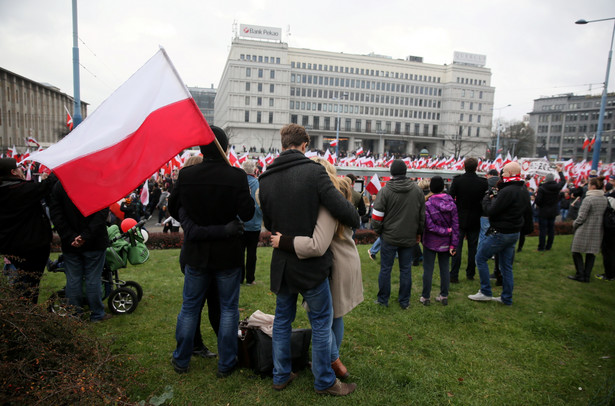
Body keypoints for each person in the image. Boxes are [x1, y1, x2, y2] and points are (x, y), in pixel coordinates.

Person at [259, 124, 359, 396]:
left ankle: (280, 374)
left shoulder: (265, 178)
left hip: (282, 261)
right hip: (311, 265)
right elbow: (341, 208)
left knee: (282, 321)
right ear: (304, 144)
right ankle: (325, 381)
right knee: (321, 322)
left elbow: (269, 222)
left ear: (283, 144)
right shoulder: (315, 172)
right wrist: (354, 216)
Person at [168, 126, 254, 376]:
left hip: (196, 253)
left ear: (202, 149)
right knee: (228, 309)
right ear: (224, 148)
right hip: (227, 254)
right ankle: (226, 364)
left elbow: (174, 208)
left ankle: (181, 360)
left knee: (190, 307)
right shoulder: (236, 177)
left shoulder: (186, 175)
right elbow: (247, 213)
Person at [469, 162, 532, 306]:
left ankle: (485, 292)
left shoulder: (507, 191)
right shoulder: (522, 189)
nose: (501, 175)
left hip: (501, 232)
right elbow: (527, 211)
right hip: (513, 232)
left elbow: (491, 211)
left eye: (503, 173)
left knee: (480, 257)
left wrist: (487, 199)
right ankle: (506, 298)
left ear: (509, 174)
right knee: (506, 266)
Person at [49, 181, 111, 321]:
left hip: (71, 243)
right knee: (93, 279)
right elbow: (101, 213)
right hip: (93, 242)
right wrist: (84, 236)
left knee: (73, 279)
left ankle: (74, 314)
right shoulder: (96, 183)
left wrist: (70, 236)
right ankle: (97, 314)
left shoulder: (59, 185)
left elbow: (56, 214)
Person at [0, 158, 56, 303]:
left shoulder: (6, 190)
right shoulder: (19, 190)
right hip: (31, 246)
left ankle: (22, 309)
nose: (22, 170)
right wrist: (57, 167)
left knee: (23, 279)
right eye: (19, 168)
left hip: (11, 245)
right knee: (30, 283)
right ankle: (25, 310)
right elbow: (46, 186)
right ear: (13, 172)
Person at [372, 159, 425, 310]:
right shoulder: (417, 191)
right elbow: (422, 216)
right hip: (409, 237)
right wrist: (419, 233)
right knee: (405, 269)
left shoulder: (385, 191)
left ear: (391, 172)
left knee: (386, 269)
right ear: (405, 172)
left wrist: (380, 231)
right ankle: (404, 302)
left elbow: (376, 217)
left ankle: (383, 300)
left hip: (389, 237)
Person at [420, 176, 458, 306]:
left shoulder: (428, 204)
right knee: (444, 268)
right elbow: (456, 225)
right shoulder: (452, 204)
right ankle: (444, 295)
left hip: (431, 241)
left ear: (431, 188)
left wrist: (445, 231)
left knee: (428, 270)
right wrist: (453, 242)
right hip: (446, 242)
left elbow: (429, 226)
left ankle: (425, 297)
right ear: (443, 187)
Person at [449, 157, 488, 283]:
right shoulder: (482, 182)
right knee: (473, 248)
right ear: (476, 166)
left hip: (460, 217)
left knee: (457, 247)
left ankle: (454, 275)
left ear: (464, 165)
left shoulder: (458, 181)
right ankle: (470, 273)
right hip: (475, 218)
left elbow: (450, 198)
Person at [567, 176, 608, 283]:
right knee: (591, 253)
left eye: (589, 185)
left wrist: (574, 224)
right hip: (598, 229)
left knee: (576, 251)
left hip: (585, 228)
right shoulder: (604, 199)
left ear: (593, 186)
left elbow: (581, 216)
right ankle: (586, 275)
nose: (588, 186)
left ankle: (580, 274)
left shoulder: (588, 199)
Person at [241, 160, 263, 285]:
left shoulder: (239, 183)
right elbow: (261, 204)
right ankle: (250, 279)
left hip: (241, 223)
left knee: (240, 252)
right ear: (254, 170)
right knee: (251, 252)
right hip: (254, 224)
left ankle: (240, 277)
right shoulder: (258, 184)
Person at [535, 165, 566, 251]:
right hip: (553, 211)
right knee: (551, 229)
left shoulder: (542, 188)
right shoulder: (557, 187)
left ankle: (541, 247)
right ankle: (549, 246)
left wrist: (540, 205)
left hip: (543, 211)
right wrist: (560, 172)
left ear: (546, 179)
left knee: (543, 230)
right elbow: (563, 181)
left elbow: (538, 200)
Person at [597, 177, 615, 281]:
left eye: (612, 181)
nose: (610, 183)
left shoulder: (612, 196)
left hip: (611, 227)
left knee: (608, 251)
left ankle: (609, 274)